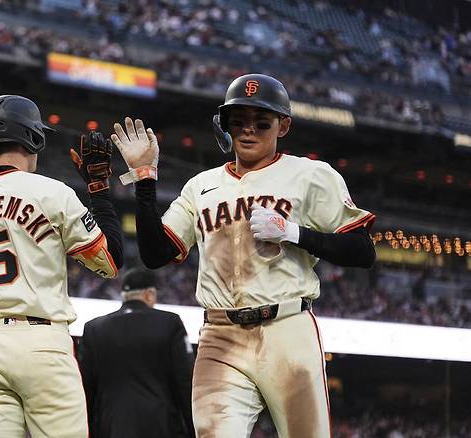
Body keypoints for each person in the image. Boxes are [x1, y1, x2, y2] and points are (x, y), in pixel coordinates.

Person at [110, 74, 376, 437]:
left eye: (261, 123)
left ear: (284, 125)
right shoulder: (200, 185)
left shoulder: (311, 174)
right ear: (224, 126)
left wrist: (293, 232)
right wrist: (144, 178)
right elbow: (156, 253)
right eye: (238, 122)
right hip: (220, 334)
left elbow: (362, 250)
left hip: (287, 329)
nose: (248, 131)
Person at [0, 95, 123, 437]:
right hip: (41, 342)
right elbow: (110, 263)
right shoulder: (53, 193)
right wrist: (98, 189)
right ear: (34, 138)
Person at [79, 267, 195, 438]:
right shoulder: (170, 323)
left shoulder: (93, 328)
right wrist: (192, 431)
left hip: (110, 427)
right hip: (161, 425)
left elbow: (86, 388)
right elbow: (186, 381)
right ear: (149, 294)